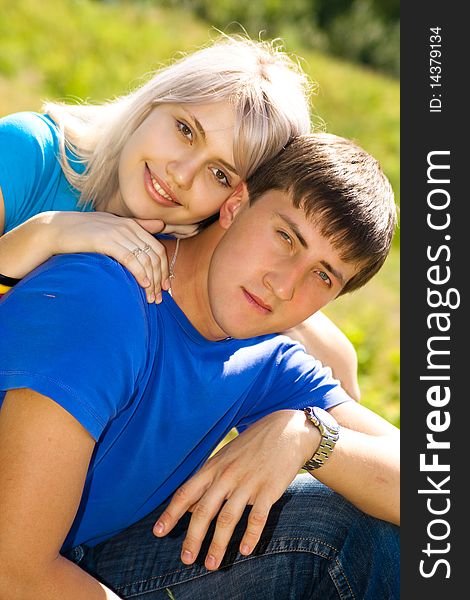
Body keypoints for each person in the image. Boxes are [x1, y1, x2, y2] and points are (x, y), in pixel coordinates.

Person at [0, 133, 399, 599]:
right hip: (19, 566)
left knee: (374, 527)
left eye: (322, 275)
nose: (286, 286)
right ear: (235, 205)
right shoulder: (103, 298)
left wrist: (308, 435)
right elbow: (14, 573)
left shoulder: (262, 355)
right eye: (286, 237)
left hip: (88, 556)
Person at [0, 35, 360, 400]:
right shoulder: (28, 153)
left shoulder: (188, 258)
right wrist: (47, 233)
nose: (181, 174)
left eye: (220, 174)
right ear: (155, 101)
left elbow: (342, 369)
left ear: (238, 202)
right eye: (185, 130)